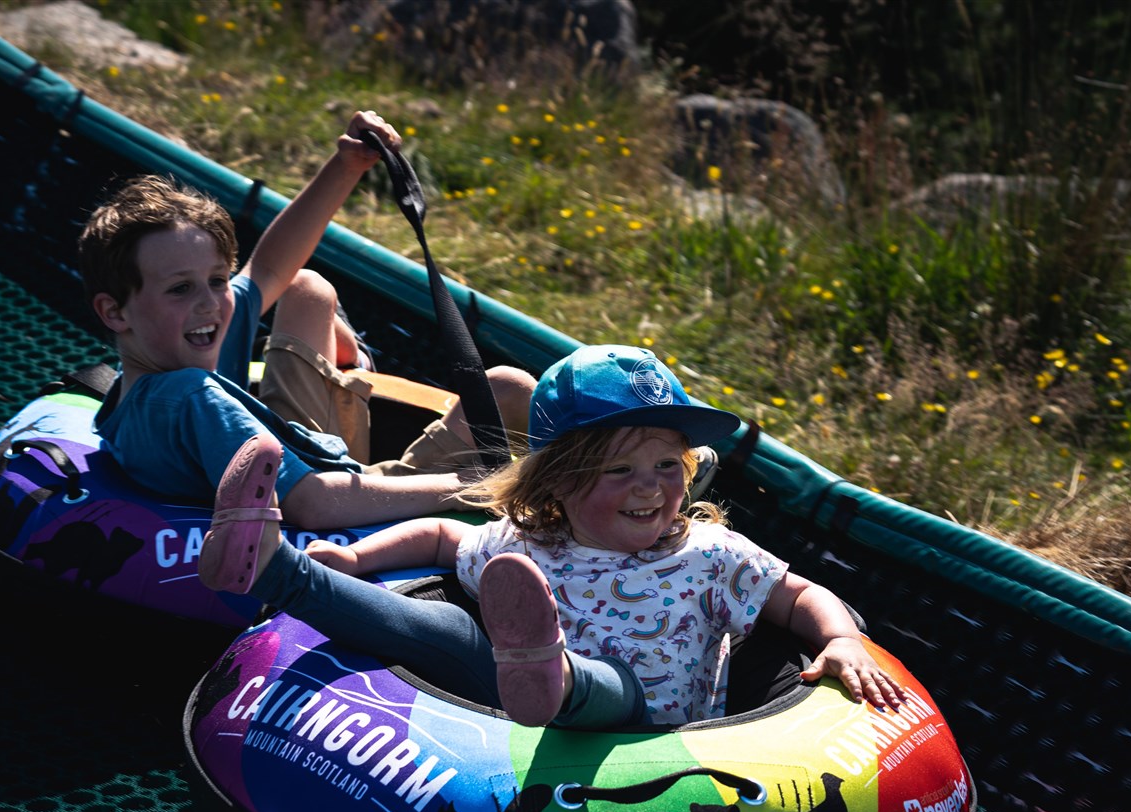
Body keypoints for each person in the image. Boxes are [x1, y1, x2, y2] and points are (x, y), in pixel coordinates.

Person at [197, 344, 905, 728]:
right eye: (619, 469)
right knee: (442, 626)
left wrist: (840, 638)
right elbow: (445, 538)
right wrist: (354, 556)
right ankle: (276, 569)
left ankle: (556, 679)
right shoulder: (531, 542)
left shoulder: (711, 555)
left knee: (611, 684)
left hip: (640, 729)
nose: (651, 486)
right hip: (509, 699)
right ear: (559, 484)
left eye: (667, 465)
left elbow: (800, 594)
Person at [77, 110, 536, 529]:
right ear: (114, 311)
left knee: (306, 288)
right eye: (181, 288)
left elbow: (270, 268)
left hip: (313, 459)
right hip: (350, 508)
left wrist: (347, 166)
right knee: (511, 389)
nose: (210, 303)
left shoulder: (166, 360)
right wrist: (476, 484)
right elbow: (312, 503)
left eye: (217, 279)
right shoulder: (187, 396)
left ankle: (351, 371)